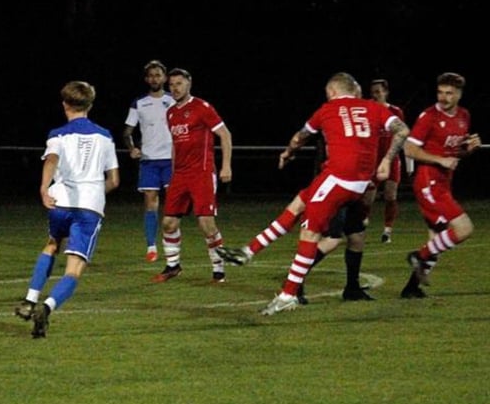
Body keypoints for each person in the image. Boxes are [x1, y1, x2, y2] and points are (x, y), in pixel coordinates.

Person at [246, 72, 408, 315]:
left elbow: (300, 136)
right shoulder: (372, 110)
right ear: (356, 91)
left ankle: (351, 287)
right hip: (342, 183)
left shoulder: (330, 109)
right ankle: (294, 285)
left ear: (332, 92)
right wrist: (387, 160)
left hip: (350, 182)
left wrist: (289, 152)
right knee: (331, 237)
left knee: (356, 236)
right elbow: (402, 130)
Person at [14, 81, 120, 338]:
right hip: (89, 208)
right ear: (90, 105)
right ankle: (47, 308)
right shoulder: (104, 136)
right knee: (73, 270)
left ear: (65, 104)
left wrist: (43, 188)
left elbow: (51, 160)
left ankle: (30, 299)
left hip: (60, 202)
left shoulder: (57, 134)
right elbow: (114, 180)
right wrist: (93, 194)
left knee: (52, 244)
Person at [401, 72, 481, 299]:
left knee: (437, 237)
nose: (443, 97)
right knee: (463, 229)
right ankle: (419, 256)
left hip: (444, 183)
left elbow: (455, 153)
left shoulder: (464, 116)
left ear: (459, 94)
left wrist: (469, 149)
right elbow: (409, 149)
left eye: (449, 93)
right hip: (428, 181)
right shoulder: (429, 116)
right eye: (440, 92)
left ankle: (411, 288)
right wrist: (439, 160)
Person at [151, 68, 233, 284]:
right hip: (180, 175)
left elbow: (225, 134)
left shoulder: (202, 107)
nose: (175, 88)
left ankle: (218, 270)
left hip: (202, 173)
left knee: (206, 224)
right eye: (171, 85)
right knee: (168, 223)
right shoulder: (171, 113)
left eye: (179, 84)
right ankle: (173, 266)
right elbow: (176, 146)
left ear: (189, 83)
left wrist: (226, 167)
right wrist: (173, 170)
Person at [122, 60, 175, 263]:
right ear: (146, 79)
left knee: (173, 204)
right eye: (151, 75)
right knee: (150, 203)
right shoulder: (139, 103)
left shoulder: (173, 100)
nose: (154, 78)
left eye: (158, 75)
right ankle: (151, 246)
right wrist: (132, 147)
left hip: (171, 159)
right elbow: (127, 131)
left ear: (164, 78)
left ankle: (170, 243)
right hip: (149, 161)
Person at [362, 79, 407, 243]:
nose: (376, 95)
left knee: (390, 196)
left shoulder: (395, 112)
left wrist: (406, 160)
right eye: (373, 92)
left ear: (386, 92)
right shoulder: (367, 110)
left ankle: (387, 230)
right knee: (367, 198)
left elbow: (402, 136)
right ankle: (363, 221)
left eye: (379, 91)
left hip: (391, 160)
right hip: (373, 162)